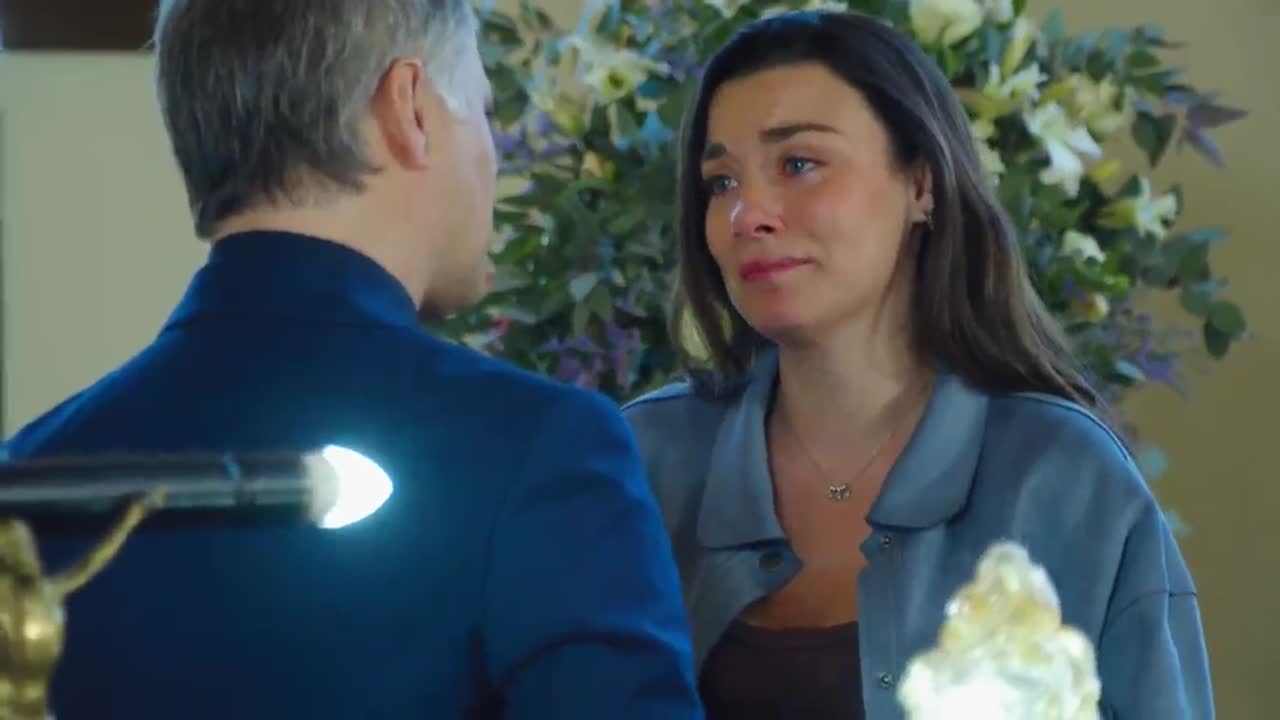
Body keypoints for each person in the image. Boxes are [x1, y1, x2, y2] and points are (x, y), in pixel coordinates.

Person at [3, 1, 702, 717]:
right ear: (410, 108)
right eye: (485, 113)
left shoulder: (28, 479)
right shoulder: (542, 450)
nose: (492, 157)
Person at [622, 10, 1212, 720]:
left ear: (922, 184)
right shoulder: (639, 463)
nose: (747, 214)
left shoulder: (1066, 479)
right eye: (721, 182)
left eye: (799, 164)